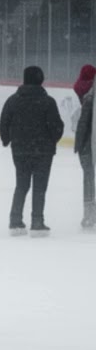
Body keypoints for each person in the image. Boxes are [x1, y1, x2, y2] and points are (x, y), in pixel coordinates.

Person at [0, 66, 64, 236]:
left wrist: (7, 140)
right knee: (40, 187)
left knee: (22, 185)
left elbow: (4, 122)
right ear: (40, 80)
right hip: (43, 151)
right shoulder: (48, 102)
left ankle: (15, 220)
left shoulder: (13, 100)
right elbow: (56, 126)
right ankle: (37, 221)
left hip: (20, 150)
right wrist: (52, 140)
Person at [75, 64, 96, 229]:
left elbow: (83, 123)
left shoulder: (85, 93)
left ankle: (89, 215)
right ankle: (90, 215)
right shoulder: (90, 94)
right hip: (89, 142)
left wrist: (79, 144)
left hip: (87, 144)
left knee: (88, 178)